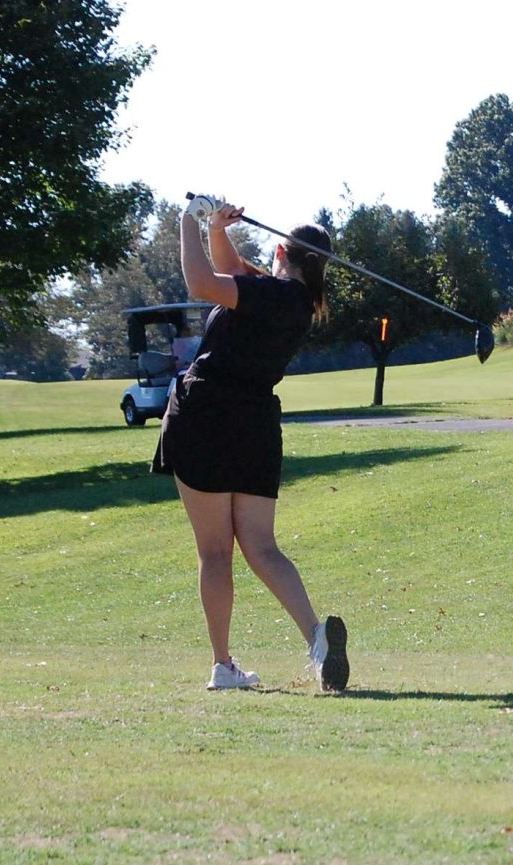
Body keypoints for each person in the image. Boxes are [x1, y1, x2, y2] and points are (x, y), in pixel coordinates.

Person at [152, 194, 349, 692]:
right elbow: (232, 269)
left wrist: (187, 222)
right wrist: (219, 228)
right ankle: (316, 637)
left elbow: (203, 283)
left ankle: (223, 665)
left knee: (215, 553)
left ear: (282, 255)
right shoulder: (296, 300)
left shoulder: (270, 295)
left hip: (206, 416)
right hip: (256, 423)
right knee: (261, 546)